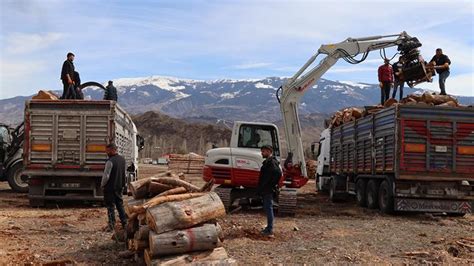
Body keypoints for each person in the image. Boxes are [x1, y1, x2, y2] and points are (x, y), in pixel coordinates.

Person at [101, 143, 127, 231]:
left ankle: (111, 225)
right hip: (119, 186)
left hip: (110, 187)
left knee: (110, 207)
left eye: (107, 151)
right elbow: (124, 173)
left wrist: (102, 184)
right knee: (120, 205)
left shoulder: (110, 161)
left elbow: (106, 175)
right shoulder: (122, 159)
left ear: (113, 150)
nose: (106, 152)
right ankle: (125, 223)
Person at [257, 145, 282, 237]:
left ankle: (270, 229)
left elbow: (278, 173)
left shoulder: (271, 162)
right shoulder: (268, 162)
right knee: (267, 208)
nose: (262, 153)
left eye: (263, 151)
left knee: (269, 208)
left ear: (268, 151)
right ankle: (268, 228)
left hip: (268, 190)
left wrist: (270, 185)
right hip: (266, 189)